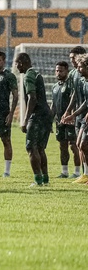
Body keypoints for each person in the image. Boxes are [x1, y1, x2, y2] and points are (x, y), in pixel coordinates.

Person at [15, 53, 52, 187]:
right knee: (41, 148)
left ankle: (38, 181)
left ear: (21, 63)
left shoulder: (28, 76)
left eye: (16, 63)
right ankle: (45, 179)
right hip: (46, 114)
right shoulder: (37, 74)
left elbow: (32, 98)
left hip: (38, 115)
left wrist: (25, 120)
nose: (16, 67)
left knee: (31, 147)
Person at [60, 46, 88, 182]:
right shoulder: (78, 76)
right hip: (82, 114)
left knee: (82, 144)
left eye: (74, 58)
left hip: (85, 114)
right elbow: (76, 95)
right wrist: (70, 112)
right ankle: (85, 174)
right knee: (80, 144)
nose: (72, 62)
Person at [51, 61, 81, 178]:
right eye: (57, 70)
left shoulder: (70, 85)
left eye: (61, 71)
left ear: (67, 71)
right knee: (62, 146)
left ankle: (77, 172)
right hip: (59, 122)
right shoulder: (55, 86)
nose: (58, 73)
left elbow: (75, 101)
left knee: (73, 146)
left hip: (70, 120)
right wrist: (50, 119)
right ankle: (64, 172)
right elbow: (53, 105)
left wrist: (72, 115)